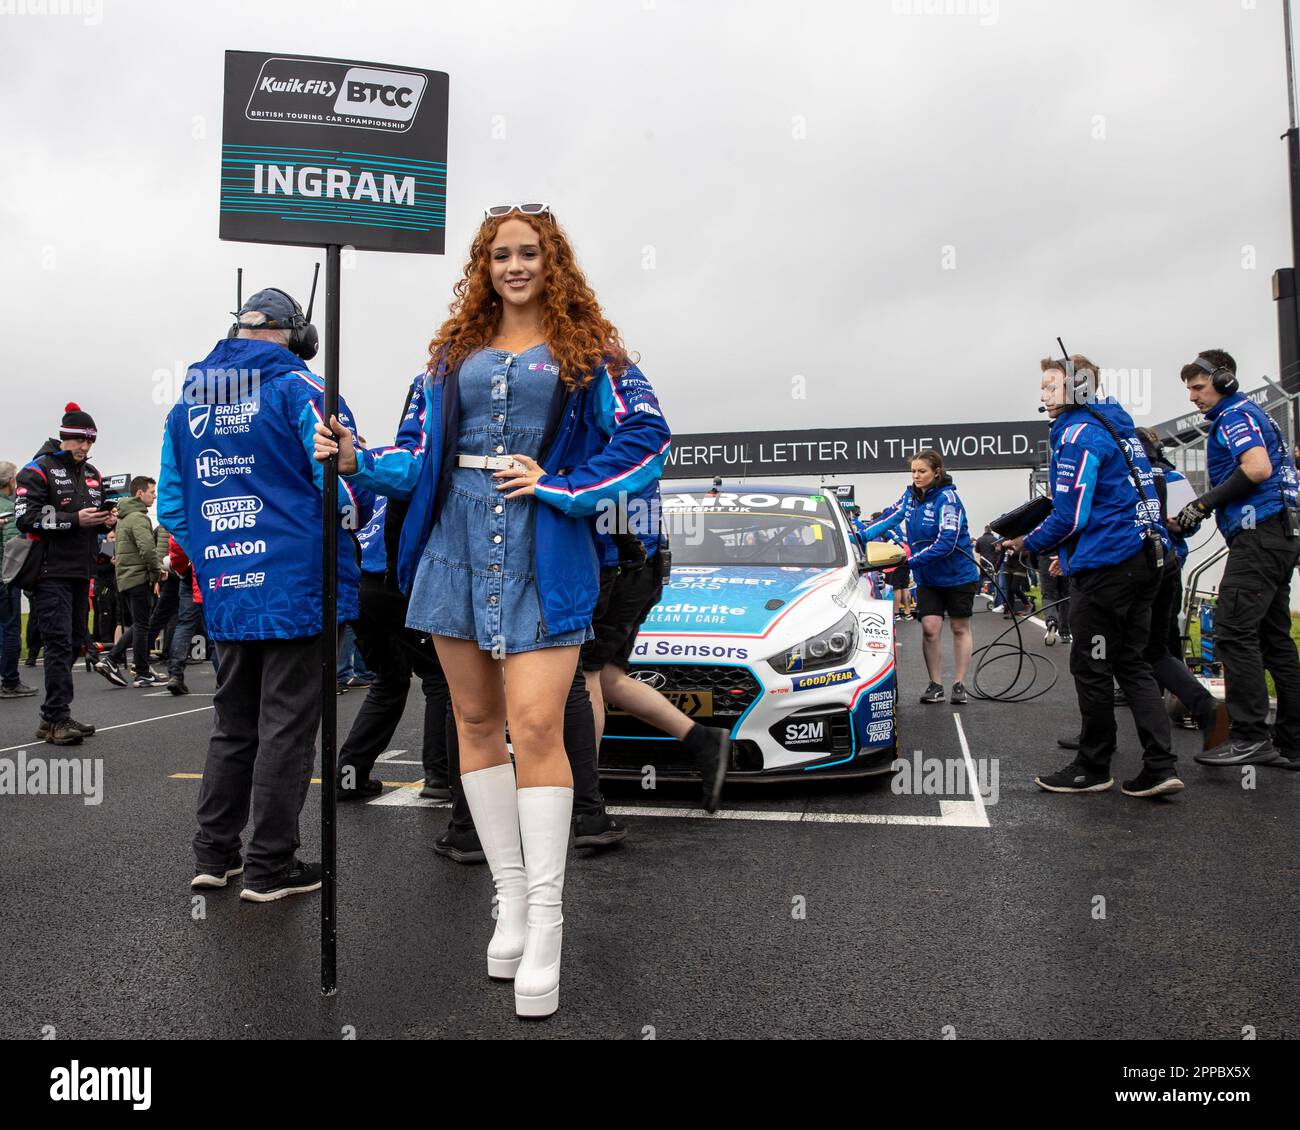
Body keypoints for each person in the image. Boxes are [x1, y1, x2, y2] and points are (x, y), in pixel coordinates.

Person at [315, 202, 672, 1019]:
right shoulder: (448, 356)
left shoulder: (597, 354)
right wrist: (356, 460)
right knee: (475, 725)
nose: (514, 266)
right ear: (483, 265)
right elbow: (413, 458)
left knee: (536, 725)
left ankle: (547, 921)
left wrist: (561, 485)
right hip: (452, 544)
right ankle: (509, 900)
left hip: (545, 543)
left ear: (554, 263)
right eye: (500, 254)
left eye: (529, 253)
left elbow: (650, 440)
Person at [158, 287, 371, 901]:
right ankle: (270, 867)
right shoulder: (305, 392)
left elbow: (174, 504)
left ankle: (214, 856)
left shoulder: (188, 402)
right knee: (287, 724)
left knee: (232, 723)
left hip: (228, 584)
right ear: (294, 336)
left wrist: (221, 552)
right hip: (299, 585)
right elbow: (343, 486)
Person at [1003, 353, 1180, 798]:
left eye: (1051, 385)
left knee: (1092, 664)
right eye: (1042, 386)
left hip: (1110, 568)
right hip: (1147, 559)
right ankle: (1160, 767)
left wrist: (1028, 543)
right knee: (1132, 661)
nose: (1043, 394)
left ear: (1079, 389)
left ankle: (1093, 766)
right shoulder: (1117, 426)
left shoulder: (1079, 434)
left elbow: (1072, 514)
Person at [1173, 351, 1300, 771]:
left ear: (1224, 380)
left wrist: (1202, 505)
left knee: (1232, 629)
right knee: (1274, 638)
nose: (1192, 397)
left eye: (1198, 387)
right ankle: (1291, 742)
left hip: (1260, 535)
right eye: (1189, 389)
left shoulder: (1234, 416)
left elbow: (1258, 468)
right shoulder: (1252, 414)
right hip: (1280, 535)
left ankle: (1249, 736)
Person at [581, 482, 731, 813]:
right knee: (607, 676)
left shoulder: (609, 434)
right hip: (637, 565)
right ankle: (702, 739)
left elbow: (598, 491)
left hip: (623, 566)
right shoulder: (624, 436)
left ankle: (584, 798)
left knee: (586, 674)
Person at [335, 495, 452, 801]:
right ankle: (439, 776)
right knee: (440, 673)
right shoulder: (420, 481)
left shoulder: (378, 494)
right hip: (390, 581)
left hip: (357, 584)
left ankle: (350, 775)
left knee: (389, 679)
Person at [12, 405, 116, 744]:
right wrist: (74, 519)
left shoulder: (94, 474)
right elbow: (25, 519)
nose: (85, 447)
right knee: (58, 644)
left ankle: (52, 716)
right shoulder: (37, 470)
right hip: (48, 571)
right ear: (64, 436)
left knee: (74, 644)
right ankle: (57, 719)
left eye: (90, 441)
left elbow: (91, 520)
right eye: (79, 440)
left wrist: (105, 522)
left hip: (80, 570)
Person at [860, 449, 980, 704]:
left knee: (959, 627)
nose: (916, 475)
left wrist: (911, 561)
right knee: (929, 628)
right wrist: (857, 538)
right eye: (913, 471)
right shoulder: (909, 497)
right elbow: (887, 520)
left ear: (937, 472)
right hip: (928, 577)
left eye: (921, 471)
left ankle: (960, 684)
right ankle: (935, 684)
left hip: (958, 575)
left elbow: (946, 542)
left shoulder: (948, 499)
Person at [94, 475, 165, 688]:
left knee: (139, 624)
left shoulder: (124, 516)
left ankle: (124, 663)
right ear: (139, 493)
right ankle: (133, 668)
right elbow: (147, 549)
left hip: (124, 578)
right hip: (137, 577)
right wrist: (156, 573)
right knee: (143, 625)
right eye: (152, 492)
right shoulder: (138, 517)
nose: (155, 496)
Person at [0, 460, 37, 699]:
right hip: (6, 578)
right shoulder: (11, 510)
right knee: (10, 628)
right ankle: (11, 680)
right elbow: (15, 549)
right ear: (11, 481)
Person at [164, 533, 215, 694]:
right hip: (214, 574)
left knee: (185, 624)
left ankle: (175, 674)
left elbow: (176, 541)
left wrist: (182, 569)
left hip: (190, 572)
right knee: (215, 631)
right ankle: (224, 679)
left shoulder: (187, 511)